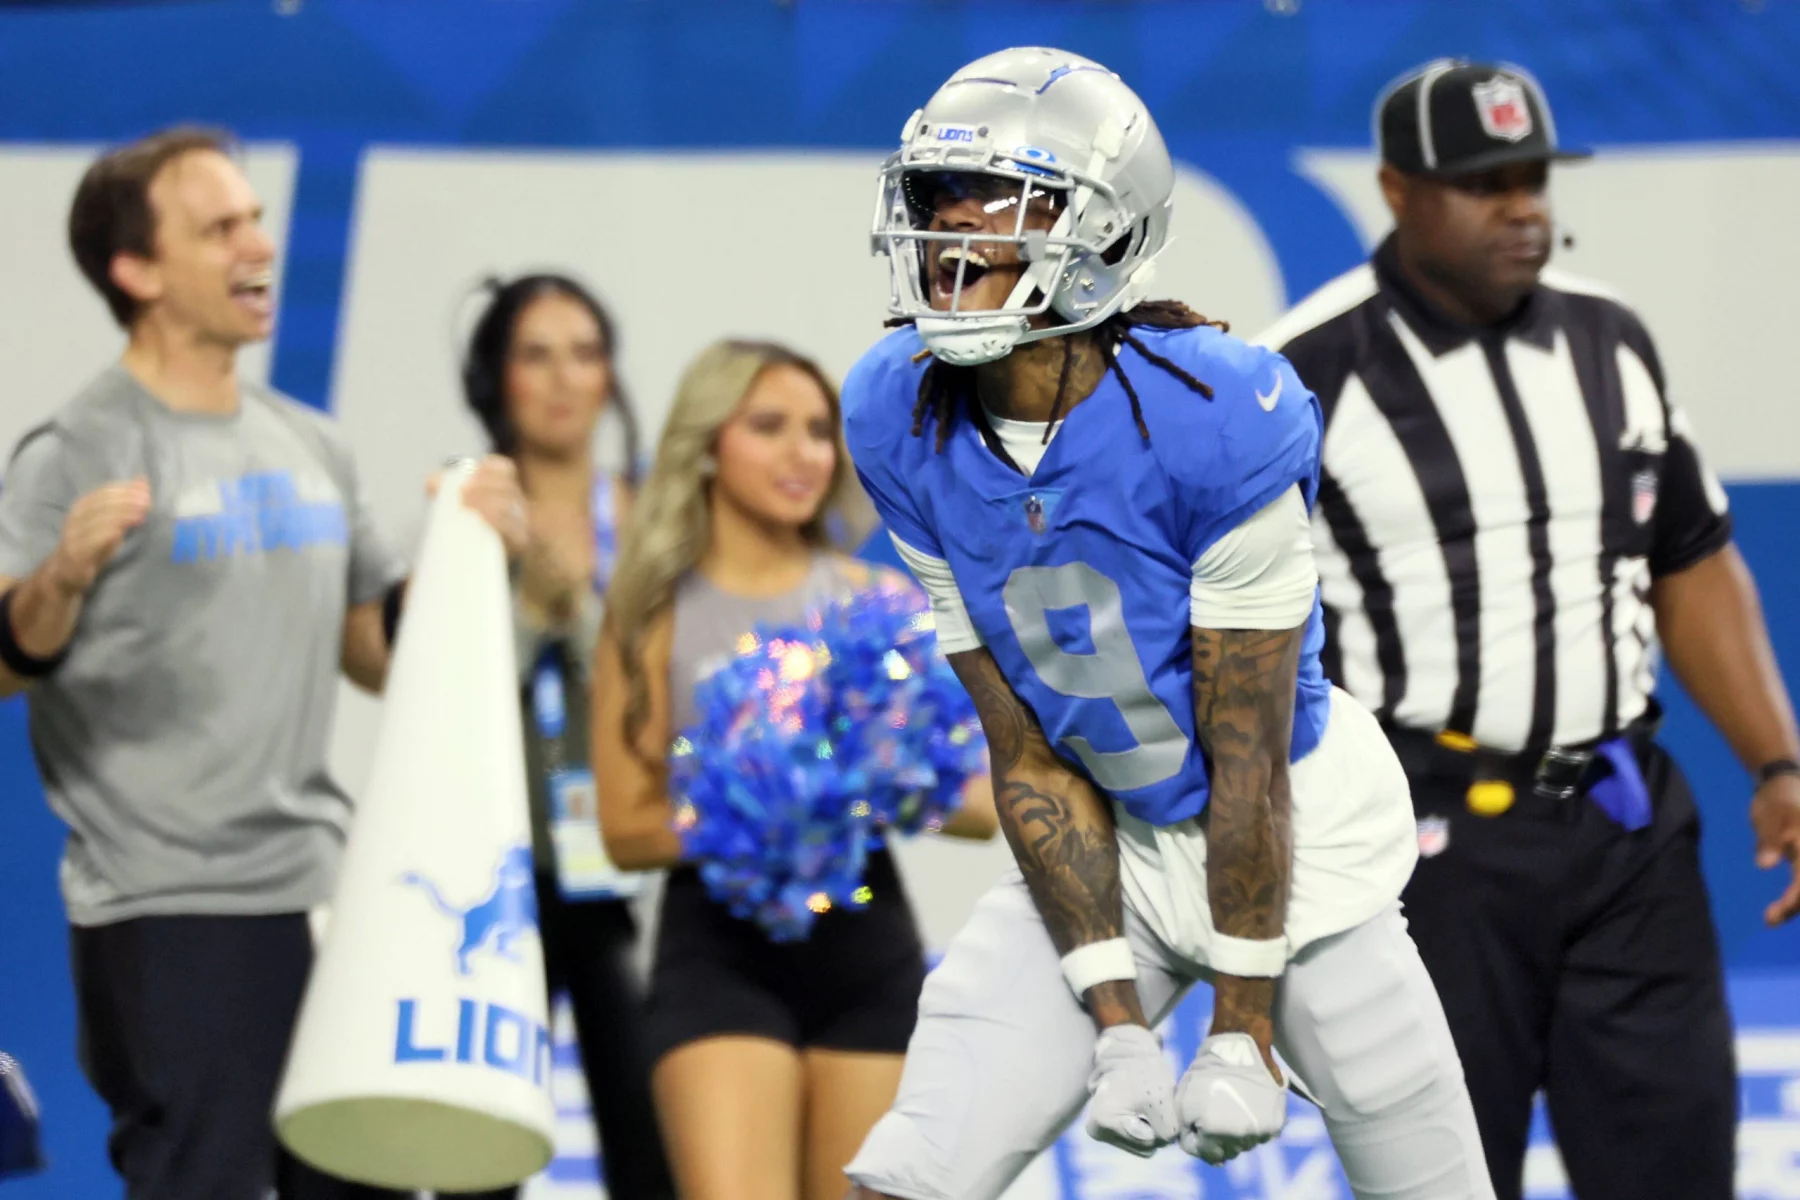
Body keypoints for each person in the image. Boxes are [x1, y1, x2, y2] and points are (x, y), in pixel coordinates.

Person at [841, 47, 1494, 1200]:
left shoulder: (1213, 416)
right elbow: (1027, 743)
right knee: (909, 1175)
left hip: (1295, 837)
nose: (955, 229)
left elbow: (1243, 753)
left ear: (1104, 229)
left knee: (1433, 1188)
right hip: (1112, 830)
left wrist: (1239, 1024)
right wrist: (1116, 1020)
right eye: (943, 192)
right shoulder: (894, 412)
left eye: (1002, 197)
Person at [1256, 60, 1800, 1200]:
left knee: (1678, 1172)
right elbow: (1238, 642)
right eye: (1485, 182)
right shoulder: (1301, 376)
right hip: (1424, 846)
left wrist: (1777, 762)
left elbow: (1689, 556)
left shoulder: (1612, 338)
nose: (1524, 209)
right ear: (1399, 190)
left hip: (1625, 824)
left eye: (1534, 179)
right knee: (1446, 1179)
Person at [0, 126, 523, 1200]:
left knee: (360, 1183)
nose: (260, 245)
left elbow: (374, 654)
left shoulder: (311, 441)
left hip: (327, 898)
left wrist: (463, 553)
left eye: (256, 218)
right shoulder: (76, 449)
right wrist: (56, 580)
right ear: (136, 271)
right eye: (221, 227)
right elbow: (8, 661)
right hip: (167, 907)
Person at [591, 338, 999, 1200]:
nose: (803, 453)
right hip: (718, 955)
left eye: (818, 431)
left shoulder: (877, 603)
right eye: (769, 426)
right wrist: (757, 808)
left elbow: (979, 807)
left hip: (866, 946)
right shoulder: (647, 613)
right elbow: (625, 831)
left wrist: (867, 780)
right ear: (706, 444)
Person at [457, 272, 674, 1200]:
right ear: (493, 377)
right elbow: (444, 690)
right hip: (492, 871)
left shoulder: (652, 517)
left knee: (654, 1135)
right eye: (535, 355)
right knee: (480, 1148)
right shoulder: (462, 508)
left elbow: (669, 701)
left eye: (585, 354)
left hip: (629, 872)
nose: (562, 379)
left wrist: (573, 609)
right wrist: (525, 601)